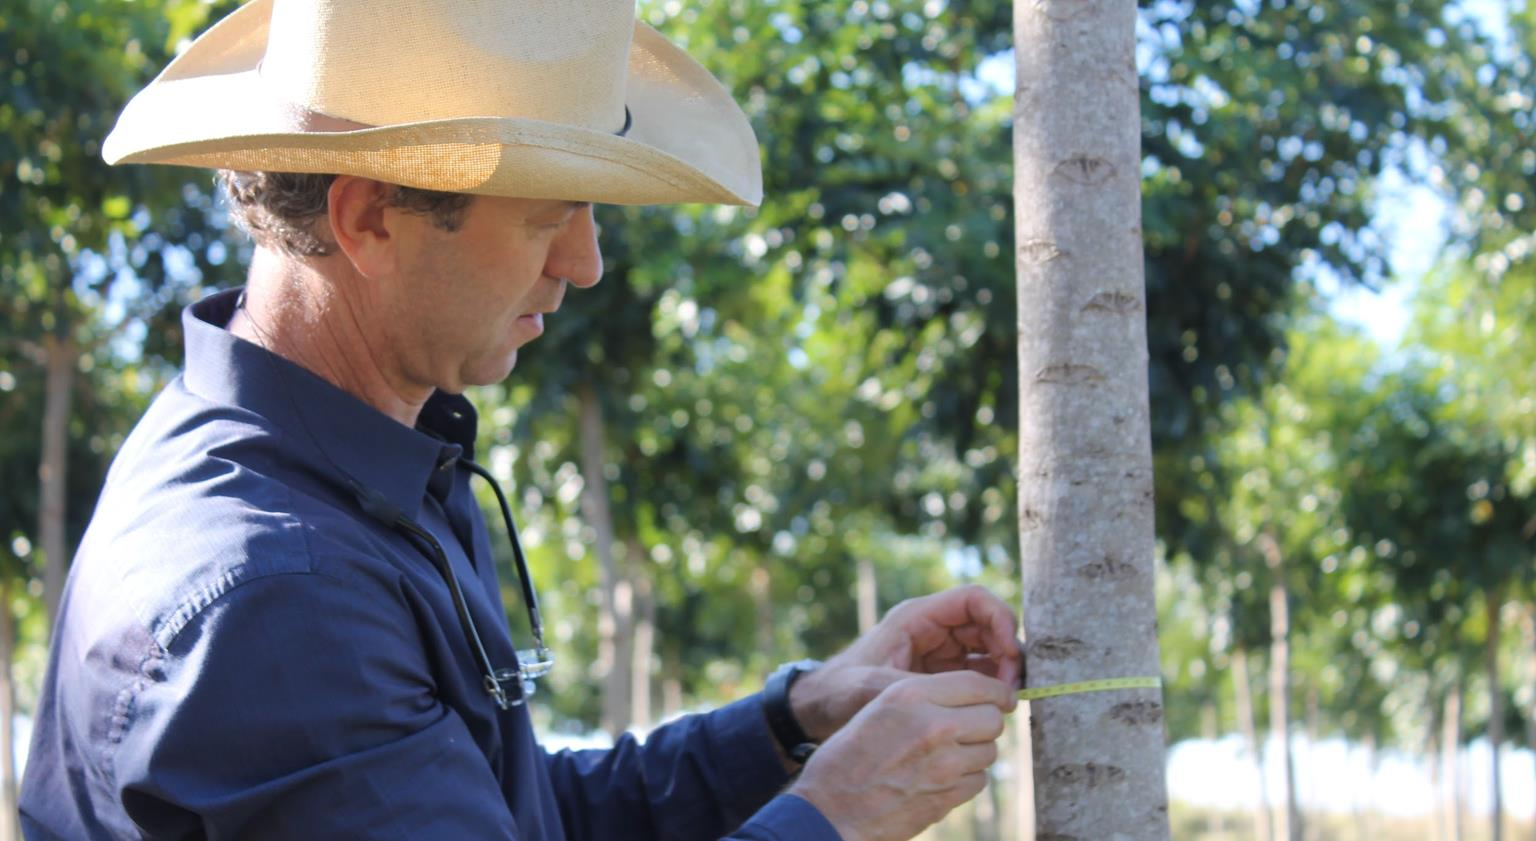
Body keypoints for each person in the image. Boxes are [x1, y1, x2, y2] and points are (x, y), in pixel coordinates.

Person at [19, 1, 1024, 839]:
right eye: (548, 215)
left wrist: (794, 716)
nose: (583, 262)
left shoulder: (356, 474)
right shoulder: (280, 595)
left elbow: (502, 809)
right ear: (369, 217)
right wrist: (838, 811)